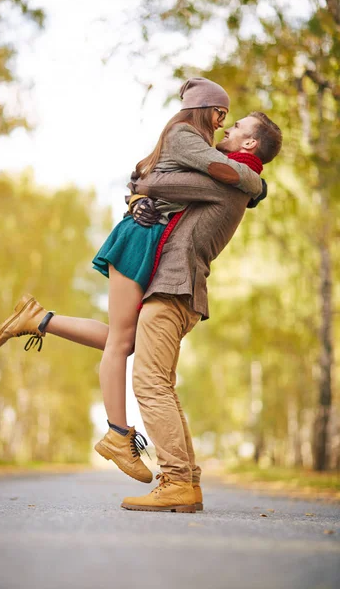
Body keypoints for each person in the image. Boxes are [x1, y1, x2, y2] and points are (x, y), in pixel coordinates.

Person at [0, 78, 265, 489]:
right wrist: (255, 183)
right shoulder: (185, 134)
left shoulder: (191, 140)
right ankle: (118, 435)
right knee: (122, 344)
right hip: (140, 235)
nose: (227, 127)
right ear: (214, 112)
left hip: (148, 237)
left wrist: (253, 183)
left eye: (236, 124)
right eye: (226, 117)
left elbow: (183, 181)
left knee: (125, 339)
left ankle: (40, 319)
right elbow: (211, 178)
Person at [119, 109, 282, 513]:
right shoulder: (232, 178)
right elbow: (154, 186)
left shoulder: (226, 181)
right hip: (181, 291)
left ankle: (175, 481)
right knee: (162, 386)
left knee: (150, 385)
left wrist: (141, 182)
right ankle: (185, 481)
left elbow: (157, 180)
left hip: (174, 288)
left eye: (238, 126)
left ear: (249, 144)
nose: (228, 128)